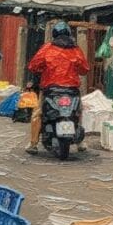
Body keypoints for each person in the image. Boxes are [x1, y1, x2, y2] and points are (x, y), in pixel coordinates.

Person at [25, 21, 89, 155]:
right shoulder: (76, 50)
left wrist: (42, 69)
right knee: (78, 112)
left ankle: (33, 144)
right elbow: (84, 69)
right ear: (69, 34)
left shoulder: (47, 48)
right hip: (71, 90)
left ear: (54, 34)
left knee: (38, 113)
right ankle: (80, 143)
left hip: (51, 89)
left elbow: (33, 66)